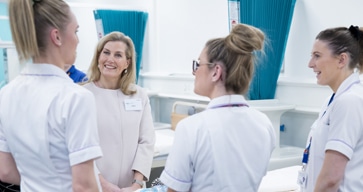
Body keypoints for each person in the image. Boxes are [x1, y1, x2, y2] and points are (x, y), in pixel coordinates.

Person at [159, 23, 276, 192]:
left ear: (216, 72)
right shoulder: (264, 124)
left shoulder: (191, 128)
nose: (194, 72)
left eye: (198, 64)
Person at [0, 0, 103, 191]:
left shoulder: (5, 95)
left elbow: (5, 170)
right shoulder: (75, 98)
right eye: (76, 31)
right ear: (57, 36)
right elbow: (84, 186)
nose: (78, 40)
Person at [83, 31, 155, 192]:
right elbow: (80, 148)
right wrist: (104, 185)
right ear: (98, 57)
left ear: (127, 63)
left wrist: (136, 185)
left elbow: (146, 142)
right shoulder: (83, 96)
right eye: (106, 53)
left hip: (131, 188)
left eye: (118, 55)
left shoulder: (139, 95)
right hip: (94, 186)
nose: (110, 59)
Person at [298, 25, 363, 191]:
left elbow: (331, 179)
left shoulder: (349, 102)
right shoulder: (333, 100)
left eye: (317, 56)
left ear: (341, 60)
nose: (310, 64)